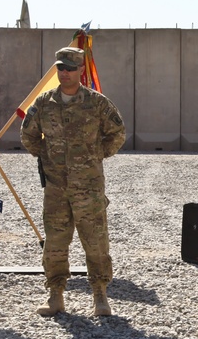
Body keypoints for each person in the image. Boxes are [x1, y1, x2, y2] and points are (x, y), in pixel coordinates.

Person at [20, 47, 126, 316]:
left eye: (69, 68)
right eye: (60, 68)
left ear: (81, 70)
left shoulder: (97, 103)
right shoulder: (44, 103)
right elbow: (28, 135)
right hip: (55, 187)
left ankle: (100, 296)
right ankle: (55, 295)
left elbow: (117, 134)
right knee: (55, 243)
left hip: (88, 187)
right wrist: (46, 156)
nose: (64, 73)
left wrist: (95, 155)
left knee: (96, 241)